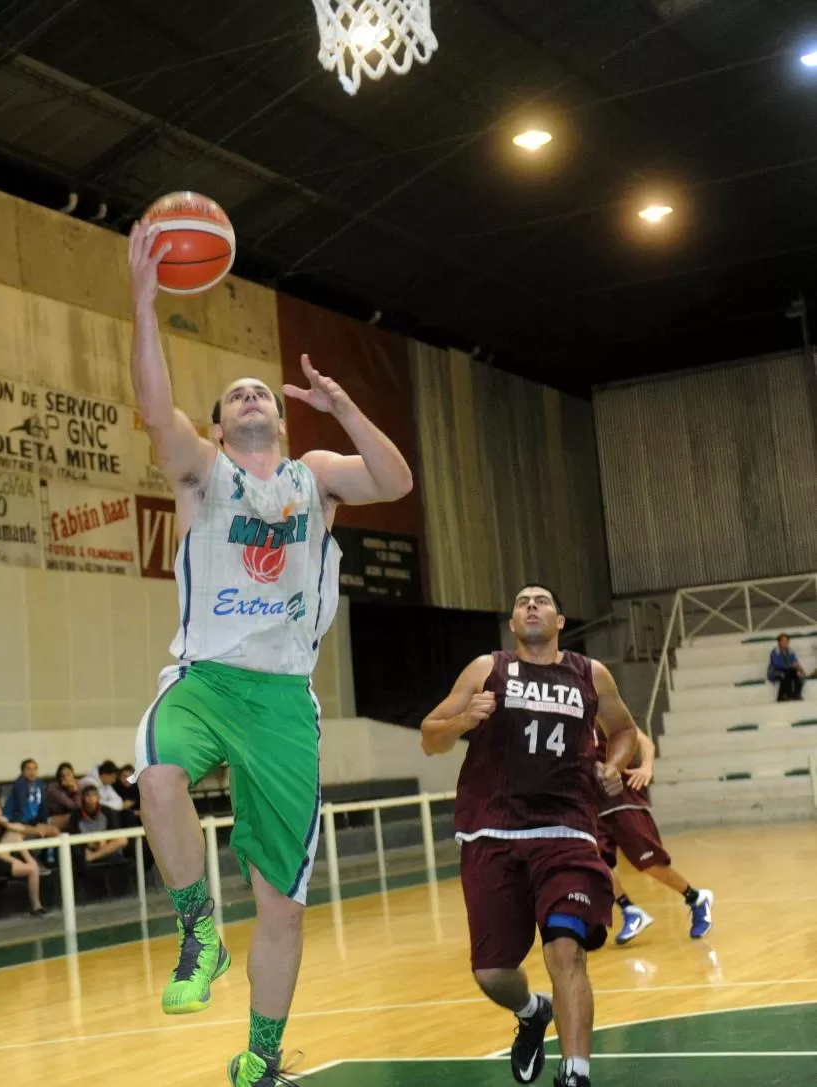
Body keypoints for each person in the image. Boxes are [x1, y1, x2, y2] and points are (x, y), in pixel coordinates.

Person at [126, 218, 413, 1087]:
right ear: (217, 423)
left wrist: (347, 406)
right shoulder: (203, 473)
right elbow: (152, 409)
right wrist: (144, 298)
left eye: (265, 392)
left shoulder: (316, 474)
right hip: (206, 678)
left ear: (284, 420)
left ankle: (259, 1055)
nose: (253, 395)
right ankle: (197, 926)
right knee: (156, 773)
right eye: (237, 394)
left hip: (287, 697)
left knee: (283, 908)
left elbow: (396, 481)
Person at [421, 585, 639, 1087]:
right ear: (514, 625)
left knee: (565, 949)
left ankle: (576, 1074)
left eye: (541, 600)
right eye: (522, 603)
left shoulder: (591, 674)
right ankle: (531, 1011)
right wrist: (462, 719)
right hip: (491, 833)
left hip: (567, 831)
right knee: (492, 974)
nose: (532, 606)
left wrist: (615, 763)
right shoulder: (486, 669)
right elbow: (431, 736)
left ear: (560, 620)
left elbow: (624, 729)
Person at [594, 725, 714, 944]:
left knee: (648, 863)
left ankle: (696, 898)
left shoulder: (604, 709)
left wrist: (647, 766)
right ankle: (630, 911)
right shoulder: (565, 712)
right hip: (592, 802)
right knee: (596, 863)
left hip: (623, 796)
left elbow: (644, 741)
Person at [0, 799, 47, 915]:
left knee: (15, 834)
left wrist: (7, 825)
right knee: (32, 869)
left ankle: (31, 863)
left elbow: (29, 830)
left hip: (2, 858)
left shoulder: (1, 823)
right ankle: (36, 906)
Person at [67, 785, 129, 867]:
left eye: (94, 795)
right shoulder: (76, 815)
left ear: (99, 798)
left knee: (122, 840)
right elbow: (74, 838)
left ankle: (92, 857)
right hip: (87, 847)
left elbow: (116, 832)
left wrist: (105, 840)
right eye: (88, 795)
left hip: (105, 845)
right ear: (83, 798)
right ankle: (93, 856)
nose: (91, 798)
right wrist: (91, 843)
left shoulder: (108, 811)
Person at [768, 633, 806, 702]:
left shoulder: (791, 651)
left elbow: (795, 661)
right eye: (783, 641)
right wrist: (791, 665)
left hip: (788, 670)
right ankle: (784, 696)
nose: (785, 643)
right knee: (785, 674)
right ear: (779, 642)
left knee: (799, 674)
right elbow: (777, 664)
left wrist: (799, 667)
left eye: (787, 641)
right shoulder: (775, 652)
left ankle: (797, 694)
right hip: (776, 671)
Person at [47, 762, 81, 829]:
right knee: (75, 817)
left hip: (68, 816)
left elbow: (80, 806)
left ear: (73, 775)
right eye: (63, 775)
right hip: (52, 819)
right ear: (59, 777)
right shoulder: (54, 789)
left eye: (69, 774)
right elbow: (72, 806)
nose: (66, 778)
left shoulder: (77, 784)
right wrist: (75, 793)